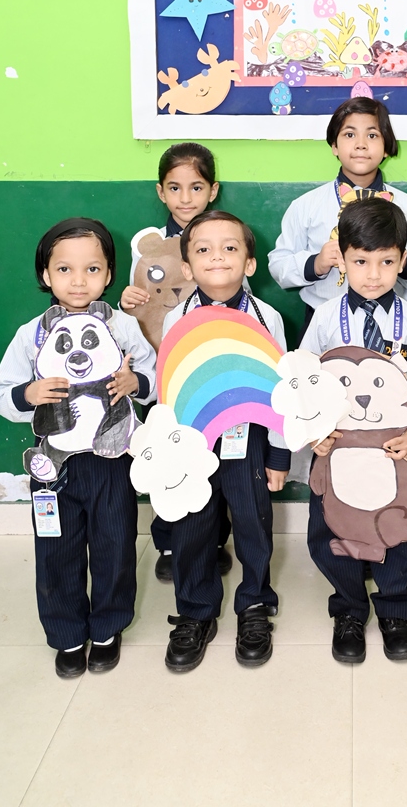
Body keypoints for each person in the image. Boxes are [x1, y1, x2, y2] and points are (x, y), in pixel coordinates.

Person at [0, 218, 156, 678]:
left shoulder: (123, 326)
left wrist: (136, 382)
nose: (79, 280)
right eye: (65, 269)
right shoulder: (31, 334)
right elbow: (3, 393)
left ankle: (107, 628)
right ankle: (66, 634)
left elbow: (155, 377)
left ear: (109, 275)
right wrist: (28, 394)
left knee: (114, 544)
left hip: (111, 460)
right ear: (45, 275)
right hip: (54, 467)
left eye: (92, 269)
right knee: (56, 550)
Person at [301, 199, 407, 664]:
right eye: (360, 262)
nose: (373, 275)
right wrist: (315, 431)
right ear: (342, 258)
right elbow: (305, 382)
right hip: (338, 447)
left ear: (402, 260)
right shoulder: (325, 318)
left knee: (399, 524)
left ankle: (395, 608)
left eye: (386, 262)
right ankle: (349, 609)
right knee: (333, 528)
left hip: (395, 449)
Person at [161, 210, 290, 673]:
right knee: (192, 527)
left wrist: (278, 454)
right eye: (203, 249)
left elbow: (280, 390)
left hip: (247, 440)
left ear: (249, 263)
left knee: (253, 523)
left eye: (230, 248)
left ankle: (254, 603)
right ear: (187, 267)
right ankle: (195, 611)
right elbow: (170, 386)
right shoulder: (176, 318)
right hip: (190, 445)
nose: (217, 257)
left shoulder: (267, 317)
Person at [119, 142, 231, 582]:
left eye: (196, 187)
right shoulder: (148, 245)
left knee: (211, 453)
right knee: (165, 451)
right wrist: (127, 301)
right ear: (160, 191)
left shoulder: (224, 237)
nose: (186, 198)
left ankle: (214, 539)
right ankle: (167, 540)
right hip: (162, 368)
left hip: (209, 368)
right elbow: (138, 302)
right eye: (175, 188)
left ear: (213, 190)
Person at [269, 96, 407, 339]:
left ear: (387, 147)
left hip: (395, 326)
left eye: (372, 135)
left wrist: (399, 258)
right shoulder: (306, 206)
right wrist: (317, 263)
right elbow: (278, 266)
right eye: (349, 134)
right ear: (334, 146)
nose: (361, 144)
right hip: (324, 325)